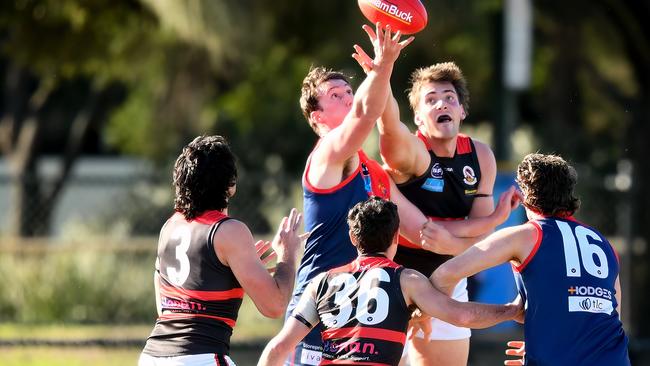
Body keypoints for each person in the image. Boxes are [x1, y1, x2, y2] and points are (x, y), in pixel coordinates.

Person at [291, 24, 515, 365]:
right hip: (325, 301)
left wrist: (488, 227)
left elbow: (424, 230)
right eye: (336, 95)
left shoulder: (376, 173)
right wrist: (382, 68)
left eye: (350, 91)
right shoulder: (329, 154)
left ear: (463, 111)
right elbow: (375, 117)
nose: (349, 97)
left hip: (378, 293)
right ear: (317, 116)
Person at [352, 30, 510, 365]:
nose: (442, 103)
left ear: (462, 111)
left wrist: (451, 244)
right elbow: (388, 123)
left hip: (450, 277)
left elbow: (479, 235)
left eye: (449, 98)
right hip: (396, 277)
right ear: (419, 119)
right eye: (431, 99)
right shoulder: (413, 152)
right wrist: (383, 70)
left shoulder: (480, 155)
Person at [259, 197, 522, 366]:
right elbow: (461, 316)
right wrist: (512, 310)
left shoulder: (321, 283)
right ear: (396, 238)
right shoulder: (407, 280)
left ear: (353, 238)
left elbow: (279, 347)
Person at [431, 153, 631, 366]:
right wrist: (554, 343)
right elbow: (607, 315)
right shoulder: (604, 244)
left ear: (526, 196)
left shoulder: (526, 235)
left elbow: (444, 274)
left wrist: (425, 316)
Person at [138, 135, 304, 366]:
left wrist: (233, 275)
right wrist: (287, 254)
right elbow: (274, 306)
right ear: (231, 185)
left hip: (152, 356)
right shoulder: (229, 231)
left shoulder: (169, 227)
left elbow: (166, 307)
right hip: (200, 357)